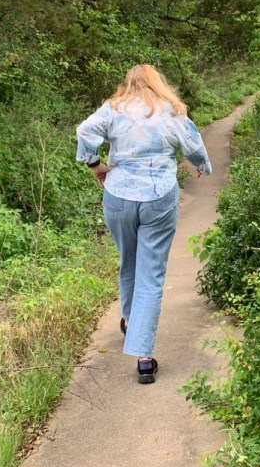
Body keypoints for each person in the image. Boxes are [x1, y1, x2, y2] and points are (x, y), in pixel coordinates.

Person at [76, 64, 212, 384]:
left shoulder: (114, 108)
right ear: (157, 83)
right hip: (158, 197)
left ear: (129, 83)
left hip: (119, 197)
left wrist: (96, 166)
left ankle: (129, 320)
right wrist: (200, 165)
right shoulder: (170, 110)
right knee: (150, 275)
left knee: (129, 263)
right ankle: (144, 358)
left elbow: (85, 132)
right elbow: (193, 144)